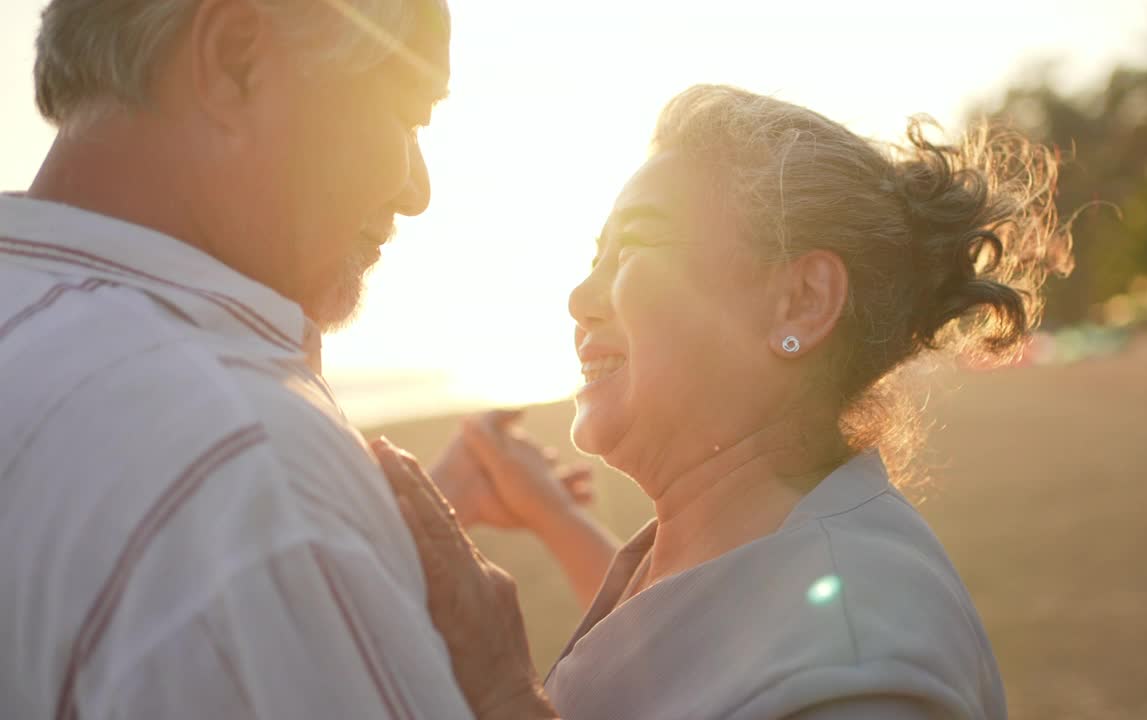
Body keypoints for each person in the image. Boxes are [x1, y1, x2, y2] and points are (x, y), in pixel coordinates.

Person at [384, 85, 1073, 719]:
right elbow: (693, 656)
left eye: (634, 248)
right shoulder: (744, 541)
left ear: (800, 303)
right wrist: (554, 516)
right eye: (595, 257)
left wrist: (500, 691)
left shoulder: (861, 671)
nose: (580, 298)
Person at [0, 1, 557, 718]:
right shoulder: (250, 469)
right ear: (236, 61)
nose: (418, 191)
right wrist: (507, 693)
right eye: (409, 117)